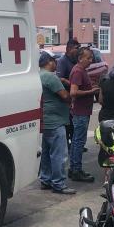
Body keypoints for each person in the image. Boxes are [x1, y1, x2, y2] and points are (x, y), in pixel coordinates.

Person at [38, 52, 76, 194]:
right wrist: (70, 98)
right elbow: (65, 95)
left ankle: (46, 179)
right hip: (55, 121)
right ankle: (59, 183)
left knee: (46, 153)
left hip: (45, 120)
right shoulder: (50, 77)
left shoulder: (38, 75)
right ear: (50, 62)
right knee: (59, 154)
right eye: (55, 61)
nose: (57, 64)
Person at [69, 46, 100, 182]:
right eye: (88, 58)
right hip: (80, 112)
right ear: (80, 58)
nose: (90, 60)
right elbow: (73, 92)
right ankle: (76, 170)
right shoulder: (77, 71)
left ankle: (74, 168)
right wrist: (90, 92)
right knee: (78, 142)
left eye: (91, 58)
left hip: (83, 111)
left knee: (78, 141)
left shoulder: (82, 70)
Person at [57, 38, 80, 147]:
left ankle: (74, 144)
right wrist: (73, 83)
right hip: (65, 98)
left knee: (74, 123)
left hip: (75, 98)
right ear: (69, 49)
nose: (78, 50)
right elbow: (60, 78)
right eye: (76, 48)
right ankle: (66, 145)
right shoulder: (62, 61)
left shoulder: (75, 61)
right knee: (67, 123)